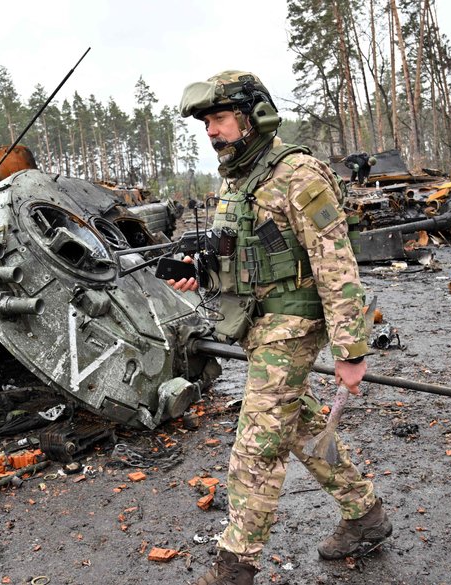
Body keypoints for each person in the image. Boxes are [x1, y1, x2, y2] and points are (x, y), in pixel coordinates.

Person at [170, 71, 392, 585]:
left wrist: (351, 349)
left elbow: (337, 265)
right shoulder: (238, 179)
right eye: (206, 122)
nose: (211, 132)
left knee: (257, 443)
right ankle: (365, 514)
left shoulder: (299, 174)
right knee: (299, 423)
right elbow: (242, 251)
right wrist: (196, 267)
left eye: (220, 119)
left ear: (255, 117)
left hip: (292, 321)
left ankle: (235, 565)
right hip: (257, 320)